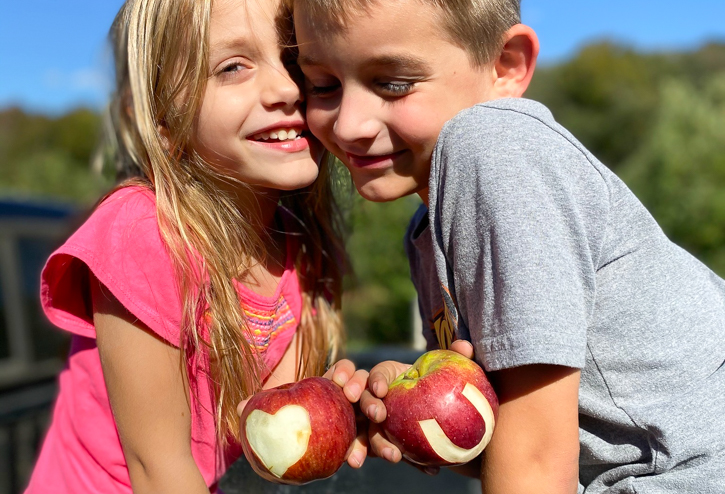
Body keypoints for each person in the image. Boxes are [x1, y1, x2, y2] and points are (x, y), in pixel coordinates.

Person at [289, 0, 725, 492]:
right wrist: (413, 402)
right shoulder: (427, 231)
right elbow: (506, 445)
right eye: (323, 86)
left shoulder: (494, 145)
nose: (349, 125)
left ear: (506, 65)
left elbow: (535, 460)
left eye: (392, 83)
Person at [24, 0, 368, 492]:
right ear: (163, 122)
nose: (288, 88)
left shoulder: (301, 249)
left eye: (295, 61)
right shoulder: (143, 231)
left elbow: (265, 437)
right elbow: (157, 468)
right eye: (233, 67)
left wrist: (360, 404)